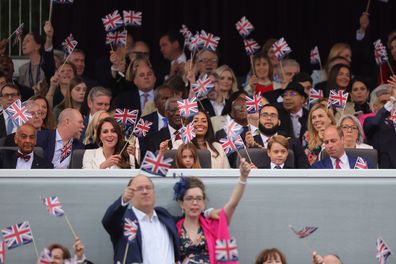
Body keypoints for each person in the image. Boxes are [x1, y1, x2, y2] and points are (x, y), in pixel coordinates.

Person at [173, 157, 251, 263]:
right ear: (181, 203)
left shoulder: (213, 224)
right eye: (189, 198)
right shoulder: (172, 227)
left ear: (203, 203)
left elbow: (232, 204)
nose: (195, 203)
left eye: (199, 198)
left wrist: (243, 178)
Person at [102, 175, 180, 263]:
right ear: (130, 193)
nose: (145, 191)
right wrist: (123, 199)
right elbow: (108, 221)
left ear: (154, 192)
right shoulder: (124, 219)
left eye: (148, 187)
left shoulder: (164, 215)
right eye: (139, 188)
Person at [245, 104, 310, 168]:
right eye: (264, 115)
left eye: (273, 115)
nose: (269, 118)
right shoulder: (250, 142)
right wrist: (248, 147)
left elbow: (305, 169)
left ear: (279, 122)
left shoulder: (292, 142)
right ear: (258, 121)